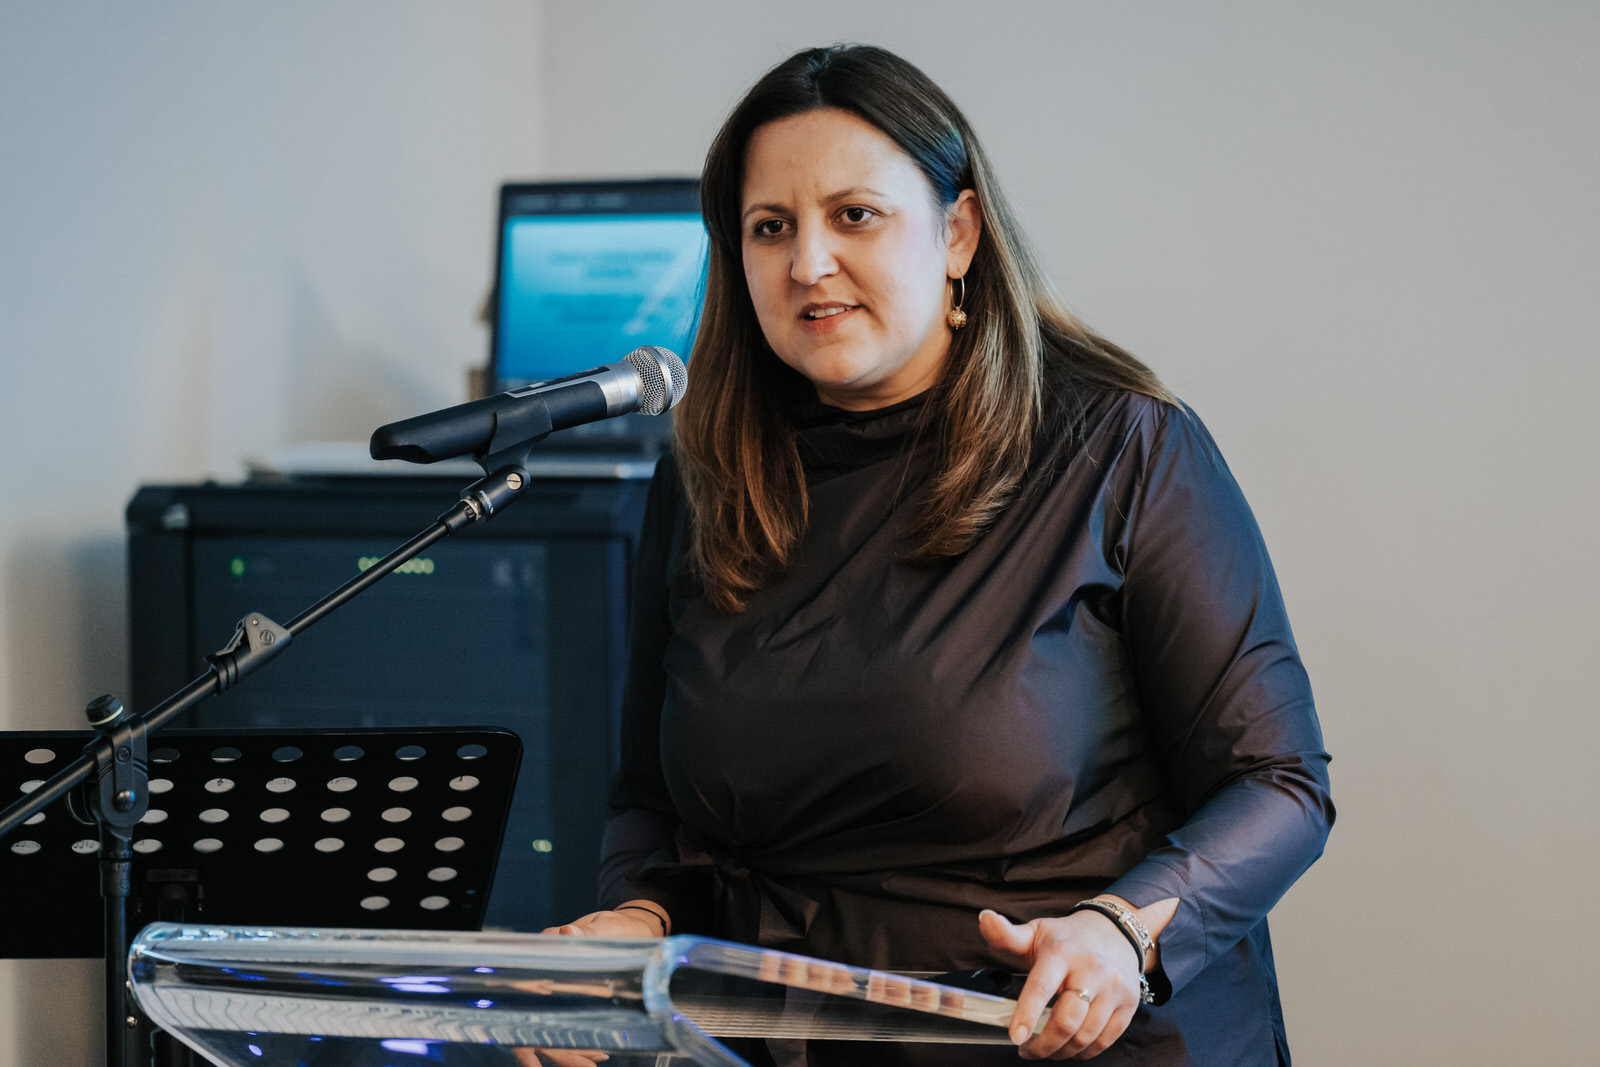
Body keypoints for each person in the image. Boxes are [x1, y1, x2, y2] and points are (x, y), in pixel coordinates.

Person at [543, 43, 1334, 1066]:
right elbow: (653, 802)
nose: (807, 263)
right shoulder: (702, 481)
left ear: (958, 232)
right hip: (785, 1039)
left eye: (854, 215)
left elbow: (1277, 781)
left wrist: (1119, 929)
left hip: (1068, 1038)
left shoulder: (1123, 446)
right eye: (770, 227)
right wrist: (633, 920)